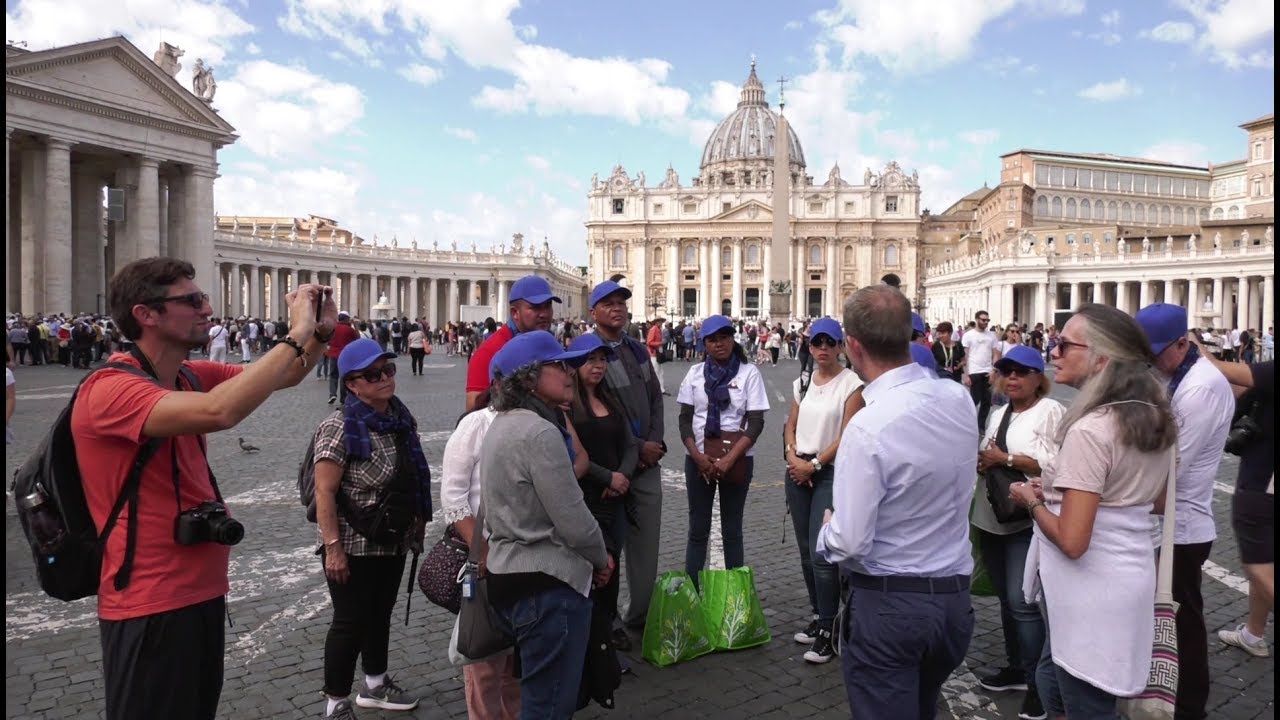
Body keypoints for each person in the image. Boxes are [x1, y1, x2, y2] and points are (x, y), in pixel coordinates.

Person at [71, 257, 336, 720]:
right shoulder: (109, 390)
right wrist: (295, 333)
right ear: (145, 314)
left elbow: (286, 375)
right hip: (148, 600)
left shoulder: (190, 376)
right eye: (191, 300)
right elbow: (220, 413)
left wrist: (321, 334)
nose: (207, 309)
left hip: (201, 591)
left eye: (205, 298)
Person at [1010, 303, 1178, 717]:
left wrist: (1032, 501)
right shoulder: (1157, 416)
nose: (1053, 351)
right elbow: (1153, 501)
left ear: (1101, 358)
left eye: (1065, 344)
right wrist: (1069, 492)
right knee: (1077, 684)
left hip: (1091, 589)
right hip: (1131, 572)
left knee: (1085, 700)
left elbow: (1072, 540)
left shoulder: (1091, 428)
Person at [816, 286, 977, 720]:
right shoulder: (959, 400)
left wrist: (827, 531)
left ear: (851, 345)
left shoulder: (868, 426)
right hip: (952, 602)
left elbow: (849, 542)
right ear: (911, 335)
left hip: (891, 604)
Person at [482, 331, 613, 718]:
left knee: (536, 697)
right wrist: (601, 558)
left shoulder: (500, 426)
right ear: (530, 376)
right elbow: (573, 520)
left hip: (508, 577)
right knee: (549, 705)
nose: (568, 373)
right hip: (547, 585)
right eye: (558, 365)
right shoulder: (539, 432)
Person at [312, 339, 430, 719]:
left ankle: (375, 685)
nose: (384, 379)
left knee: (380, 613)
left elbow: (413, 476)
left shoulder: (400, 418)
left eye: (388, 370)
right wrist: (332, 547)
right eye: (373, 374)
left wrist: (417, 524)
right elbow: (325, 491)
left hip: (390, 539)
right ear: (352, 384)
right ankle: (335, 702)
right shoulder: (337, 426)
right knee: (349, 622)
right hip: (350, 542)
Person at [1136, 303, 1234, 720]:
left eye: (1156, 352)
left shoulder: (1199, 388)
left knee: (1182, 625)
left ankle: (1189, 708)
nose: (1151, 361)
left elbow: (1170, 468)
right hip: (1166, 523)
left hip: (1183, 527)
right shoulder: (1174, 373)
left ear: (1183, 343)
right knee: (1170, 619)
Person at [971, 345, 1064, 720]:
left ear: (1039, 378)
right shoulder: (998, 412)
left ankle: (1040, 685)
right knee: (1008, 601)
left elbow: (1058, 463)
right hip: (993, 516)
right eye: (1006, 371)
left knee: (1023, 602)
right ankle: (1017, 668)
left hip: (1026, 519)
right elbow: (987, 454)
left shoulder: (1051, 412)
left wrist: (1004, 459)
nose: (1012, 378)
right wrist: (984, 462)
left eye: (1021, 372)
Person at [587, 280, 667, 644]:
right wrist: (638, 447)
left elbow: (655, 398)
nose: (617, 308)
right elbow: (599, 413)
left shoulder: (636, 349)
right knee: (607, 546)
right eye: (608, 303)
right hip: (613, 466)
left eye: (621, 302)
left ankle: (640, 612)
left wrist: (655, 441)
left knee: (646, 545)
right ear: (594, 312)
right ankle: (605, 622)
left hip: (646, 463)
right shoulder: (587, 353)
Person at [781, 317, 863, 665]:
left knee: (822, 553)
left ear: (842, 346)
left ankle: (830, 631)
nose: (824, 349)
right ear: (810, 346)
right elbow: (790, 425)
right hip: (797, 469)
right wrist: (791, 455)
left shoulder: (853, 384)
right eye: (818, 343)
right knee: (804, 550)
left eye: (831, 343)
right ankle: (819, 615)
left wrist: (813, 465)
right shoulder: (803, 381)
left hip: (828, 472)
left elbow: (847, 434)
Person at [440, 384, 521, 720]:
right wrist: (482, 552)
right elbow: (453, 495)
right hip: (487, 555)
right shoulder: (476, 424)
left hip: (524, 556)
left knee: (516, 660)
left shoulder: (543, 420)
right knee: (485, 654)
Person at [567, 333, 635, 708]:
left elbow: (628, 442)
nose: (598, 365)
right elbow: (572, 454)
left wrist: (622, 475)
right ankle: (587, 651)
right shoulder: (567, 407)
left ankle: (604, 645)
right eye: (590, 359)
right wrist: (607, 478)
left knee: (613, 573)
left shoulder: (609, 397)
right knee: (593, 574)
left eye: (602, 359)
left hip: (616, 498)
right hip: (590, 498)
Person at [1194, 349, 1274, 658]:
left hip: (1261, 481)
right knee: (1266, 562)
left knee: (1258, 565)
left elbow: (1221, 369)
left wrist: (1192, 344)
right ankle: (1253, 634)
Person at [677, 315, 768, 585]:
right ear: (704, 343)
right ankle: (691, 592)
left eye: (725, 337)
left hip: (738, 459)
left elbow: (756, 422)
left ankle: (733, 594)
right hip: (698, 458)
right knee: (697, 530)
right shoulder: (694, 374)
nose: (720, 344)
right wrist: (697, 456)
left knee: (732, 530)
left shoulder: (749, 373)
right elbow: (684, 419)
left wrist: (730, 458)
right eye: (713, 339)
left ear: (733, 338)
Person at [465, 275, 560, 412]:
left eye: (548, 306)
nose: (544, 314)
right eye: (536, 308)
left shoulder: (550, 344)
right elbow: (472, 409)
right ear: (515, 312)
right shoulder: (489, 351)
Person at [962, 310, 1000, 431]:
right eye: (983, 320)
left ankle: (981, 426)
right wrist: (966, 374)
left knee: (987, 401)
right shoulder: (968, 335)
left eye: (987, 320)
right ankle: (969, 424)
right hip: (974, 371)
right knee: (974, 400)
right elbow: (965, 355)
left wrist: (994, 370)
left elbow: (995, 354)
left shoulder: (991, 335)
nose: (985, 322)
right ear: (977, 319)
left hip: (988, 371)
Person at [324, 312, 361, 405]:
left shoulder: (333, 328)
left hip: (333, 355)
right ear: (346, 319)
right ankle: (343, 398)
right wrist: (355, 326)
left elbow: (327, 339)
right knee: (343, 376)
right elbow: (358, 338)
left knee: (333, 375)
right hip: (344, 356)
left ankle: (332, 394)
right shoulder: (349, 330)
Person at [645, 316, 668, 395]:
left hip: (657, 353)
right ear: (656, 322)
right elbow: (649, 342)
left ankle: (661, 389)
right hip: (653, 353)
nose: (661, 323)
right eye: (660, 321)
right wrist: (661, 343)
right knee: (656, 371)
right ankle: (655, 389)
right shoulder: (654, 329)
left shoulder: (658, 329)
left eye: (661, 321)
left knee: (660, 371)